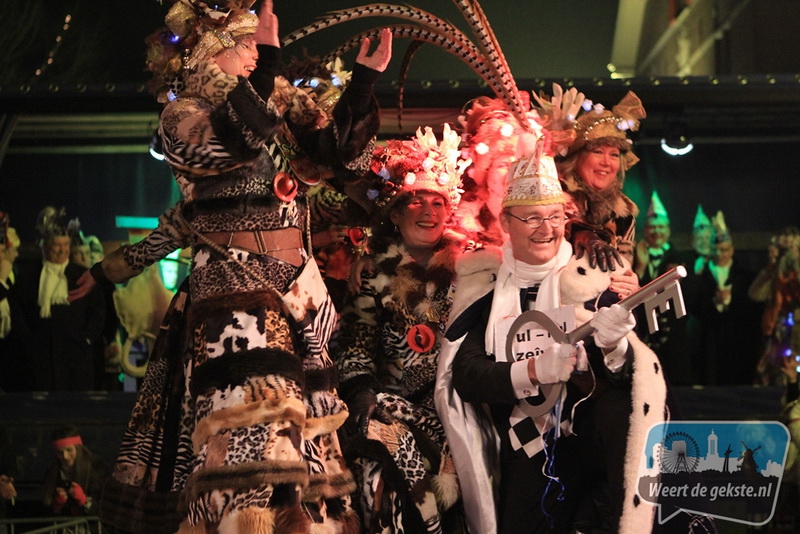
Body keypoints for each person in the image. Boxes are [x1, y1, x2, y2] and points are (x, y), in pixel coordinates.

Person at [70, 0, 392, 531]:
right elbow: (229, 146)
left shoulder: (281, 108)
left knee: (306, 442)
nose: (254, 54)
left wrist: (362, 85)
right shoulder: (184, 116)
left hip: (297, 295)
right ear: (207, 52)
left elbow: (337, 159)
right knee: (256, 431)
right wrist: (109, 272)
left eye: (257, 46)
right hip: (233, 291)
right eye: (244, 45)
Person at [436, 136, 666, 534]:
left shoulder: (594, 278)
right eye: (531, 218)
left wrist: (615, 346)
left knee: (617, 418)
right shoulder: (485, 287)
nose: (546, 229)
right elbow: (468, 376)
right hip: (524, 439)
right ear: (506, 223)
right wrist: (534, 371)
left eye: (555, 217)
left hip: (589, 436)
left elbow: (628, 382)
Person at [334, 124, 470, 533]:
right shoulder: (372, 274)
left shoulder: (475, 269)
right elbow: (355, 347)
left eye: (437, 202)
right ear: (394, 214)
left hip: (463, 408)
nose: (429, 211)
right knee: (380, 475)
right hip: (394, 407)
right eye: (416, 201)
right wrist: (361, 391)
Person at [1, 206, 105, 391]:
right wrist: (29, 341)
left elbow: (98, 311)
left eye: (66, 245)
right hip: (39, 363)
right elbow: (17, 311)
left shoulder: (84, 276)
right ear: (46, 246)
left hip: (76, 361)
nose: (62, 250)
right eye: (57, 245)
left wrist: (87, 339)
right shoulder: (28, 278)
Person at [555, 91, 646, 271]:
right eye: (597, 152)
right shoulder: (553, 197)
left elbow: (622, 269)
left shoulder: (624, 215)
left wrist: (629, 280)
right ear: (577, 157)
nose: (606, 162)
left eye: (614, 155)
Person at [693, 211, 762, 385]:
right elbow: (694, 308)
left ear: (731, 250)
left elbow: (752, 309)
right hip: (709, 343)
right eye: (716, 250)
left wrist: (731, 300)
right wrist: (715, 302)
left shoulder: (745, 277)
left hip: (738, 341)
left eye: (724, 250)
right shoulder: (700, 277)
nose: (720, 254)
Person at [633, 192, 694, 385]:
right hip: (645, 333)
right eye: (652, 227)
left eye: (660, 227)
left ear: (668, 230)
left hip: (675, 337)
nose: (656, 231)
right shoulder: (634, 258)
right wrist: (640, 268)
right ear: (645, 230)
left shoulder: (683, 259)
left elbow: (690, 297)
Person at [750, 226, 800, 386]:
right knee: (775, 373)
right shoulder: (774, 273)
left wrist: (796, 266)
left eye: (793, 248)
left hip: (797, 330)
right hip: (777, 330)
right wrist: (771, 268)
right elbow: (755, 294)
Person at [42, 425, 109, 517]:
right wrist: (56, 506)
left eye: (69, 450)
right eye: (59, 452)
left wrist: (84, 500)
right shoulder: (51, 474)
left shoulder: (97, 470)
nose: (65, 456)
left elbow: (106, 509)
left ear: (78, 448)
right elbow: (43, 512)